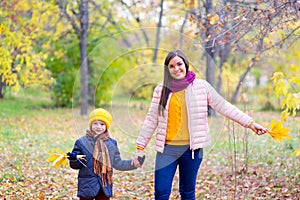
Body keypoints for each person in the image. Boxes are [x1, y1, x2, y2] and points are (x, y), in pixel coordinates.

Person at [133, 50, 268, 200]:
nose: (176, 68)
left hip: (191, 151)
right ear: (167, 69)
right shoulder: (161, 89)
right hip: (167, 150)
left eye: (179, 64)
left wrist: (250, 123)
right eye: (171, 66)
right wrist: (140, 148)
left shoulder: (201, 87)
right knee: (161, 192)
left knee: (187, 192)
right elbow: (151, 119)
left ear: (186, 64)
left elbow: (224, 107)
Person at [67, 108, 145, 200]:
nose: (98, 127)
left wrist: (133, 164)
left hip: (104, 185)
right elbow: (77, 165)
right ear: (90, 125)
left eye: (102, 124)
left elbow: (117, 163)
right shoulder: (81, 142)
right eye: (95, 123)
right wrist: (73, 159)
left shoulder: (111, 143)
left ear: (106, 126)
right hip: (87, 185)